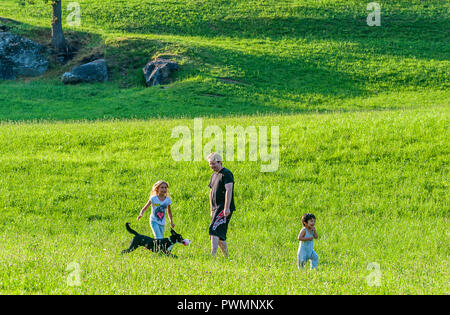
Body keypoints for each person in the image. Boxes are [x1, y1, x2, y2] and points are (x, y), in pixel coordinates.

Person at [207, 152, 235, 257]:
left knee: (214, 230)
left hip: (223, 207)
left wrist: (226, 208)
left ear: (220, 162)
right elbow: (211, 192)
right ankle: (227, 257)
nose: (212, 166)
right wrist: (211, 209)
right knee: (220, 235)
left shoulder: (226, 173)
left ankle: (212, 254)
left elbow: (229, 190)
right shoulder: (214, 175)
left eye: (213, 164)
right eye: (210, 164)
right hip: (215, 208)